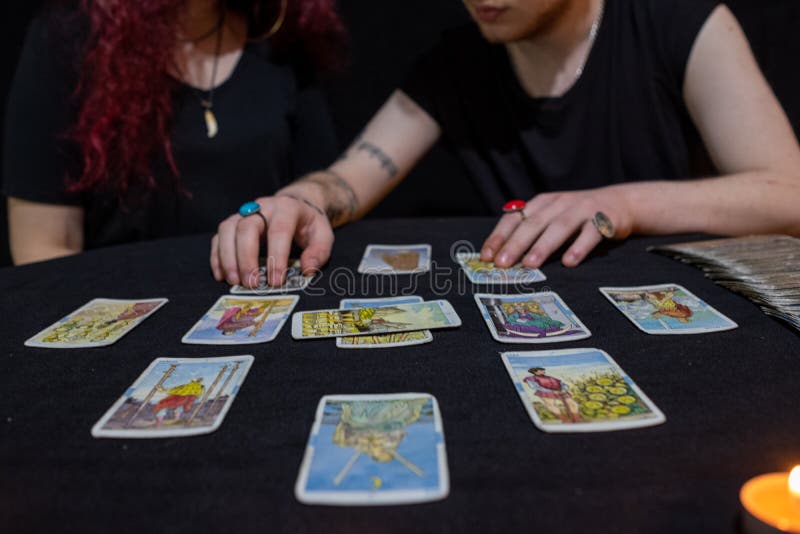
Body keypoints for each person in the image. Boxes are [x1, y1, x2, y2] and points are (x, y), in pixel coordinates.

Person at [211, 0, 800, 288]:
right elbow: (347, 180)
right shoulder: (457, 62)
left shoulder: (678, 22)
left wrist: (623, 205)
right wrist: (297, 202)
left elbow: (790, 193)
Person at [3, 0, 344, 265]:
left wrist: (306, 199)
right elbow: (42, 247)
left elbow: (325, 183)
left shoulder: (280, 32)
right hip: (124, 321)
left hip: (259, 303)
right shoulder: (68, 39)